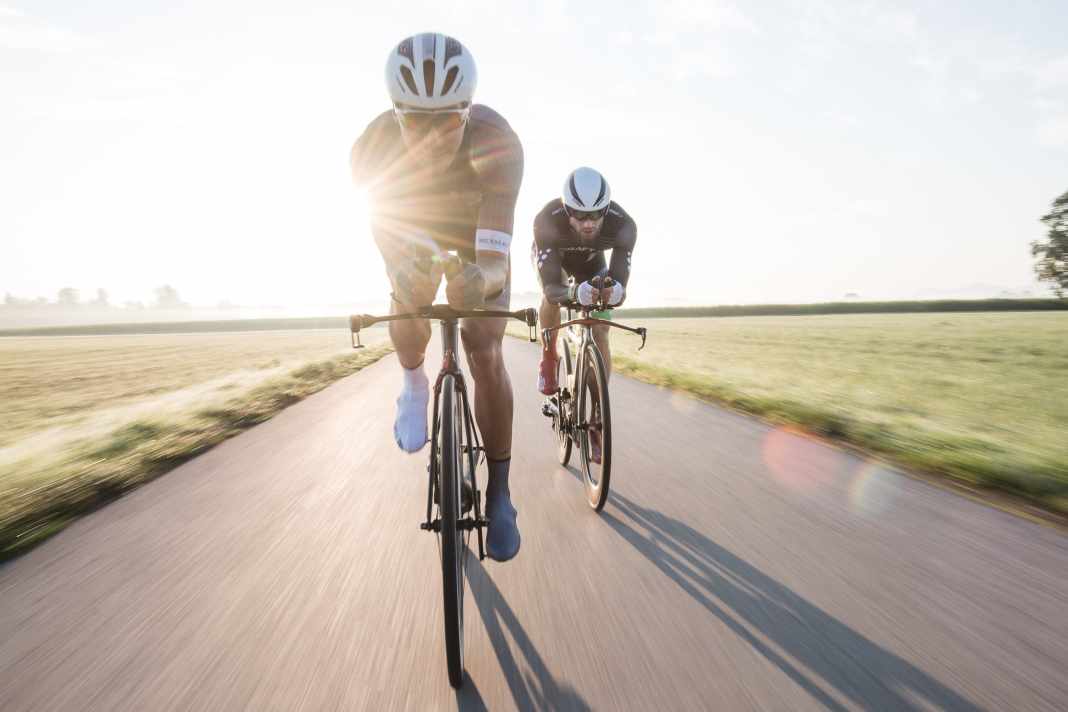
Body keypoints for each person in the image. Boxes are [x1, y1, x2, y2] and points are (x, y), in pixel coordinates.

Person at [350, 33, 524, 562]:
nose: (430, 138)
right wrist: (411, 279)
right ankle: (412, 382)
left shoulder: (498, 142)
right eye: (415, 123)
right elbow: (390, 243)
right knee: (408, 296)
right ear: (396, 115)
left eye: (445, 122)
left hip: (478, 235)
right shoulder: (371, 151)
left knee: (484, 345)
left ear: (466, 114)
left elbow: (494, 262)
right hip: (414, 228)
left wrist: (482, 278)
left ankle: (499, 493)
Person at [531, 167, 637, 462]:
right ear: (566, 209)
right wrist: (573, 294)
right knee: (551, 297)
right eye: (579, 215)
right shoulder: (546, 221)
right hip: (557, 265)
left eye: (596, 214)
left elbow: (619, 283)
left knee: (601, 328)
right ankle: (549, 355)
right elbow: (553, 287)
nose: (588, 223)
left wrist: (614, 292)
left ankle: (597, 419)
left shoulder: (623, 224)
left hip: (593, 265)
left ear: (607, 209)